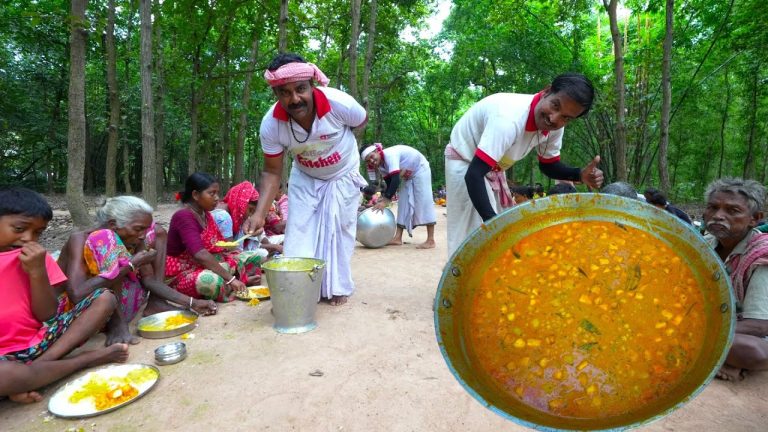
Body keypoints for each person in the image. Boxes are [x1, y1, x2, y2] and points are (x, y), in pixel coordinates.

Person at [243, 53, 368, 306]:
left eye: (300, 89)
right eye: (284, 93)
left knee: (339, 230)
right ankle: (299, 291)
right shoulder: (270, 125)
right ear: (276, 94)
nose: (294, 99)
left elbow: (360, 122)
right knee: (299, 232)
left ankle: (336, 287)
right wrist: (259, 213)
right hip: (305, 177)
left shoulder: (339, 103)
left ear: (312, 85)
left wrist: (332, 145)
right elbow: (272, 172)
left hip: (343, 174)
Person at [444, 73, 604, 255]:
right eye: (555, 106)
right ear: (547, 91)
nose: (554, 119)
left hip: (492, 169)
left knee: (497, 237)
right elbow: (473, 175)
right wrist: (494, 225)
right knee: (472, 238)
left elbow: (548, 165)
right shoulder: (508, 118)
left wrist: (579, 175)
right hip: (465, 162)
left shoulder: (555, 128)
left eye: (566, 118)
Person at [0, 187, 121, 403]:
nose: (28, 238)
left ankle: (40, 369)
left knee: (104, 297)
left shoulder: (38, 258)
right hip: (3, 360)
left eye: (38, 232)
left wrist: (37, 272)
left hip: (40, 341)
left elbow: (46, 314)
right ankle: (82, 361)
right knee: (5, 375)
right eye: (19, 228)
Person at [58, 196, 217, 345]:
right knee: (106, 239)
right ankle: (116, 322)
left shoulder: (133, 239)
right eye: (138, 229)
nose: (142, 236)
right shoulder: (81, 239)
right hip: (79, 313)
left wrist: (192, 303)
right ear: (113, 224)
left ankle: (155, 304)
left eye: (144, 229)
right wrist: (130, 266)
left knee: (157, 230)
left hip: (117, 305)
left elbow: (149, 280)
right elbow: (77, 294)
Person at [702, 178, 768, 381]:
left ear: (754, 218)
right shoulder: (703, 245)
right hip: (714, 326)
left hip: (753, 332)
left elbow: (759, 325)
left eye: (732, 211)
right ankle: (724, 361)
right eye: (713, 208)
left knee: (750, 350)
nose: (718, 216)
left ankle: (720, 358)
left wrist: (697, 330)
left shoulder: (761, 255)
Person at [166, 172, 262, 302]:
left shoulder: (206, 214)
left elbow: (218, 245)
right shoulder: (184, 216)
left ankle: (235, 283)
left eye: (217, 193)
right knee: (211, 282)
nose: (217, 198)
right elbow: (200, 254)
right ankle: (235, 283)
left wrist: (244, 240)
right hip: (183, 270)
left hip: (204, 263)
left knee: (254, 257)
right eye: (212, 193)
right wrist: (231, 278)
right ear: (195, 195)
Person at [362, 143, 437, 249]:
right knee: (403, 204)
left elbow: (396, 180)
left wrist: (385, 201)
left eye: (371, 157)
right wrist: (382, 199)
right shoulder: (381, 166)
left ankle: (430, 240)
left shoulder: (390, 155)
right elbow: (390, 183)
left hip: (420, 170)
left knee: (424, 201)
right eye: (368, 161)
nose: (371, 161)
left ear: (376, 152)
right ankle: (398, 238)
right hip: (407, 176)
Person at [212, 181, 281, 257]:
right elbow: (231, 251)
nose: (250, 215)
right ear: (240, 202)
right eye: (250, 210)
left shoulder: (237, 215)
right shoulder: (223, 216)